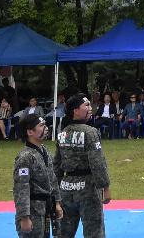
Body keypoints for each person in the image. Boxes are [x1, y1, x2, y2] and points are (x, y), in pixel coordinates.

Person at [53, 94, 111, 238]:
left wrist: (55, 192)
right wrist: (106, 187)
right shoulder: (90, 132)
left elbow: (56, 166)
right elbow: (98, 163)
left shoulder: (63, 133)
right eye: (86, 105)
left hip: (66, 188)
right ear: (75, 110)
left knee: (63, 232)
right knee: (94, 232)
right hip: (88, 189)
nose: (90, 108)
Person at [13, 114, 63, 238]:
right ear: (30, 132)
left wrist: (57, 202)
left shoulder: (44, 151)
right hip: (33, 211)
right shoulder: (25, 157)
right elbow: (21, 189)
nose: (46, 128)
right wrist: (24, 217)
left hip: (46, 209)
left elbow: (53, 179)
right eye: (41, 125)